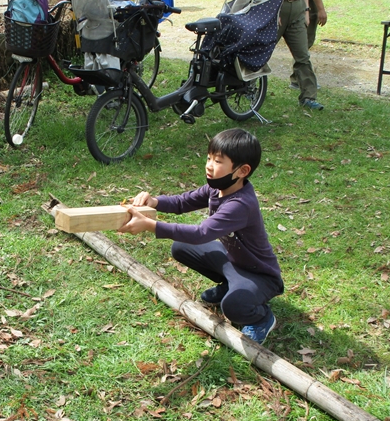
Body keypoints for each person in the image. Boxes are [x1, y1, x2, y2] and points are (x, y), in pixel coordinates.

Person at [118, 129, 284, 345]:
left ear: (242, 170)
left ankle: (262, 318)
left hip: (260, 275)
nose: (209, 165)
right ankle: (230, 284)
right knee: (181, 247)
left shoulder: (240, 204)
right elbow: (182, 202)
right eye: (209, 158)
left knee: (233, 307)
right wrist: (155, 202)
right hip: (234, 261)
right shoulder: (217, 189)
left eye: (218, 161)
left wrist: (151, 226)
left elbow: (201, 233)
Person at [277, 0, 325, 110]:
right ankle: (249, 88)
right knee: (263, 52)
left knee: (302, 55)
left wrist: (306, 11)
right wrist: (273, 11)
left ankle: (308, 97)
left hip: (297, 6)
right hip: (279, 6)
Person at [290, 0, 335, 90]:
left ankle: (298, 77)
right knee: (305, 41)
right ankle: (299, 79)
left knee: (306, 41)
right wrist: (321, 9)